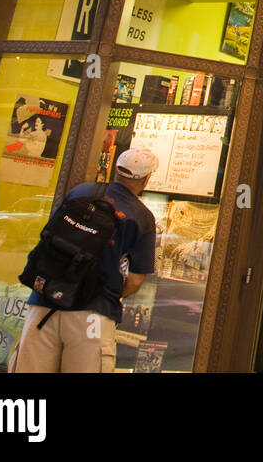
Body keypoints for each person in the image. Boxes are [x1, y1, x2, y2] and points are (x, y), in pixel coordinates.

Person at [9, 148, 159, 373]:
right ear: (146, 179)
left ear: (116, 170)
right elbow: (136, 280)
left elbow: (49, 235)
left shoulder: (81, 191)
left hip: (44, 304)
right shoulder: (141, 216)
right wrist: (108, 293)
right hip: (92, 314)